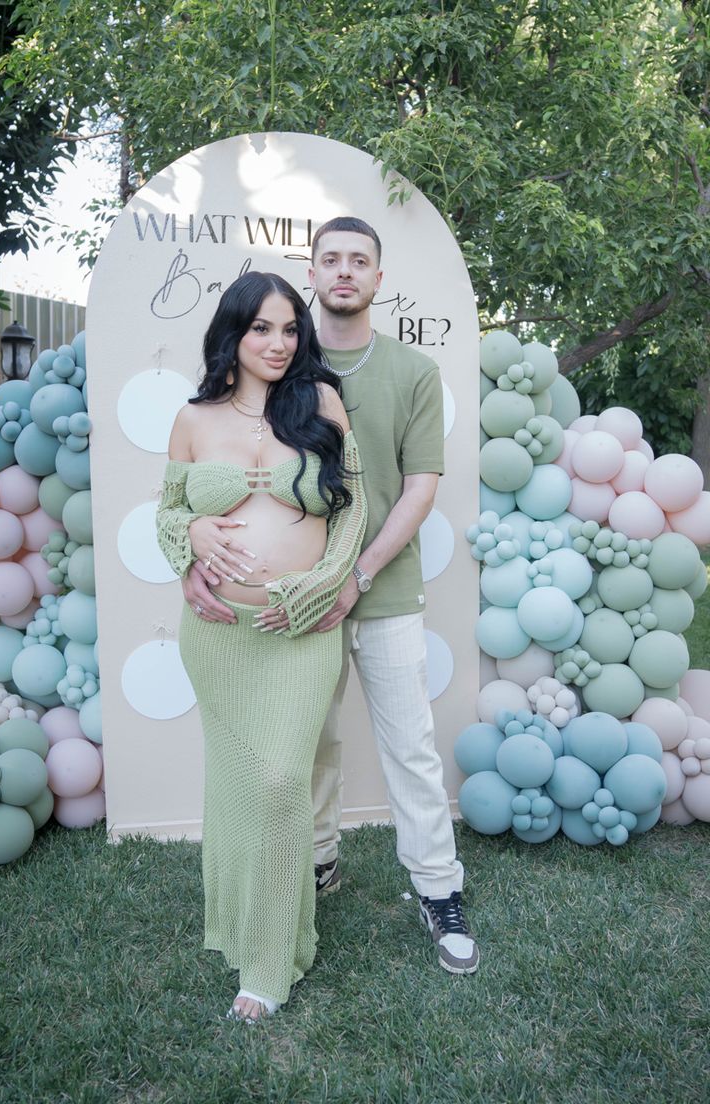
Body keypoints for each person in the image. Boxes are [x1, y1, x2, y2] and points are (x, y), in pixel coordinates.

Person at [182, 218, 479, 976]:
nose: (345, 272)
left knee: (408, 744)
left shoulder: (411, 371)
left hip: (381, 586)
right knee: (305, 744)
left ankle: (438, 889)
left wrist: (358, 575)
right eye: (331, 260)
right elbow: (211, 487)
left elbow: (419, 489)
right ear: (311, 273)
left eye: (361, 261)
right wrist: (191, 549)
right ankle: (315, 863)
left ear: (379, 278)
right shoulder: (283, 370)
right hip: (293, 607)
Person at [156, 271, 367, 1023]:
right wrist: (191, 543)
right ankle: (243, 927)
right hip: (220, 638)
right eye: (261, 330)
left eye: (289, 329)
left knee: (281, 780)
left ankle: (273, 961)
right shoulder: (192, 417)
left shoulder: (321, 403)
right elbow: (169, 512)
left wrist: (327, 582)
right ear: (234, 335)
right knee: (242, 787)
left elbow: (353, 509)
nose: (278, 344)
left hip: (301, 631)